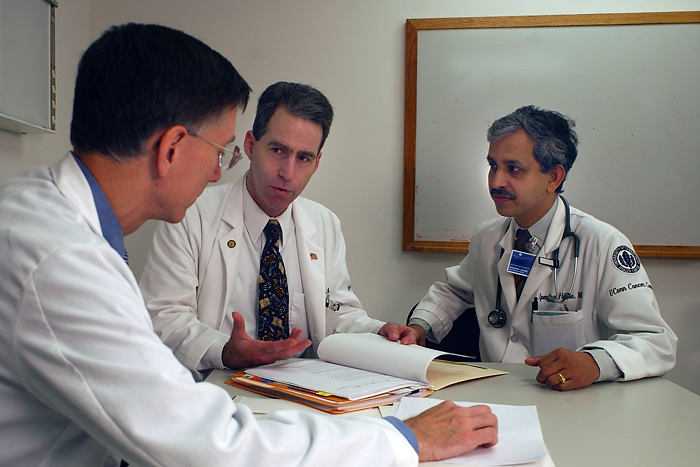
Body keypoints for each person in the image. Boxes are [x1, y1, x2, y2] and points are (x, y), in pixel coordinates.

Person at [0, 23, 498, 466]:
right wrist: (401, 442)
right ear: (172, 147)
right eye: (220, 150)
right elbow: (203, 442)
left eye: (304, 157)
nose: (220, 170)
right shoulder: (62, 262)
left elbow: (336, 308)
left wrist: (376, 332)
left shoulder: (42, 216)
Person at [139, 81, 419, 379]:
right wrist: (223, 350)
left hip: (304, 391)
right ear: (250, 145)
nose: (287, 173)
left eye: (303, 158)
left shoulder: (325, 223)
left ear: (317, 162)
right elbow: (164, 316)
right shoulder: (190, 214)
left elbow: (337, 315)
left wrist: (379, 331)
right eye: (277, 150)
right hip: (218, 386)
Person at [408, 105, 677, 391]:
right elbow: (456, 291)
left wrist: (596, 363)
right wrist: (420, 326)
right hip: (494, 391)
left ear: (553, 178)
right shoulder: (487, 237)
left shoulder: (601, 243)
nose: (496, 182)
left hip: (570, 402)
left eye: (513, 169)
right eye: (493, 166)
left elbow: (657, 341)